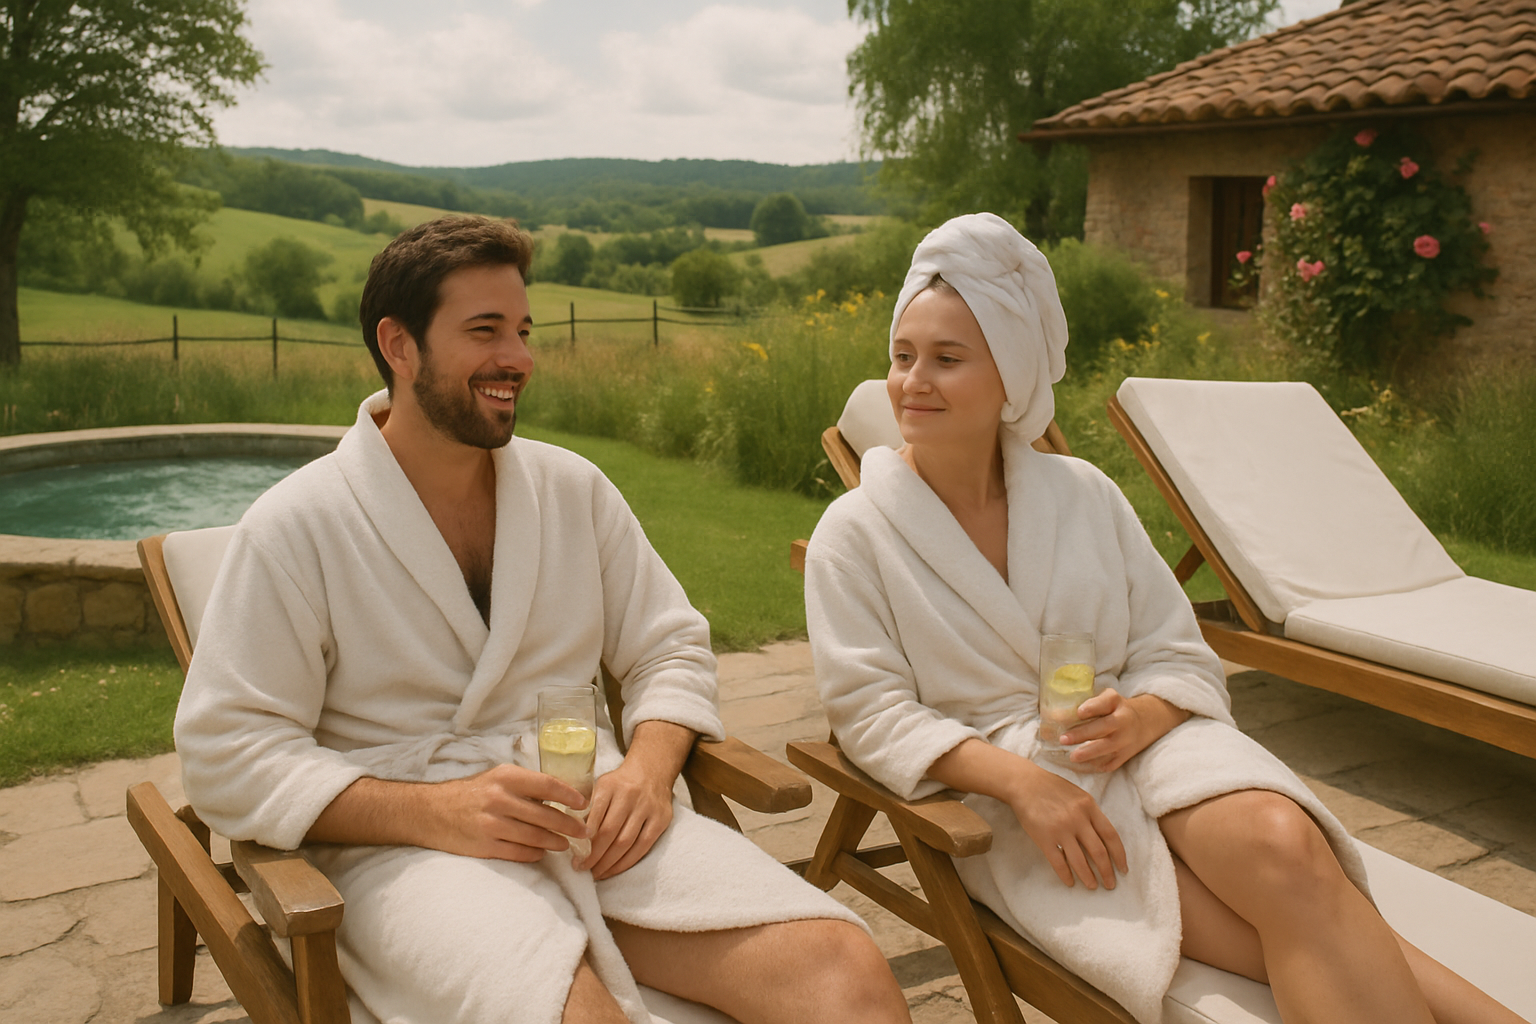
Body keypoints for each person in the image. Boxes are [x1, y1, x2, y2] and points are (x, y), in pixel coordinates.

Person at [175, 215, 911, 1024]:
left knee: (847, 973)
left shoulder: (572, 491)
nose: (518, 359)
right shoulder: (299, 525)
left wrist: (647, 770)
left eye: (523, 330)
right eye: (484, 330)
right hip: (407, 854)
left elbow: (669, 645)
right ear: (400, 344)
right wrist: (434, 811)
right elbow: (227, 750)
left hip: (592, 816)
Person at [803, 213, 1526, 1024]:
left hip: (1152, 751)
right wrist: (1024, 784)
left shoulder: (1082, 497)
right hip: (1012, 797)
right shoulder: (857, 532)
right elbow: (868, 713)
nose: (912, 382)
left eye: (946, 359)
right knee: (1287, 927)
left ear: (1011, 375)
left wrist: (1143, 714)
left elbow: (1176, 651)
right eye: (902, 357)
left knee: (1289, 852)